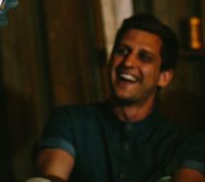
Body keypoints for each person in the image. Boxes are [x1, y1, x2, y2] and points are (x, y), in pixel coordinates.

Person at [31, 13, 205, 182]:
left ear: (164, 77)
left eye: (144, 57)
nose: (128, 63)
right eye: (122, 51)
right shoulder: (70, 121)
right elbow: (50, 177)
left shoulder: (186, 143)